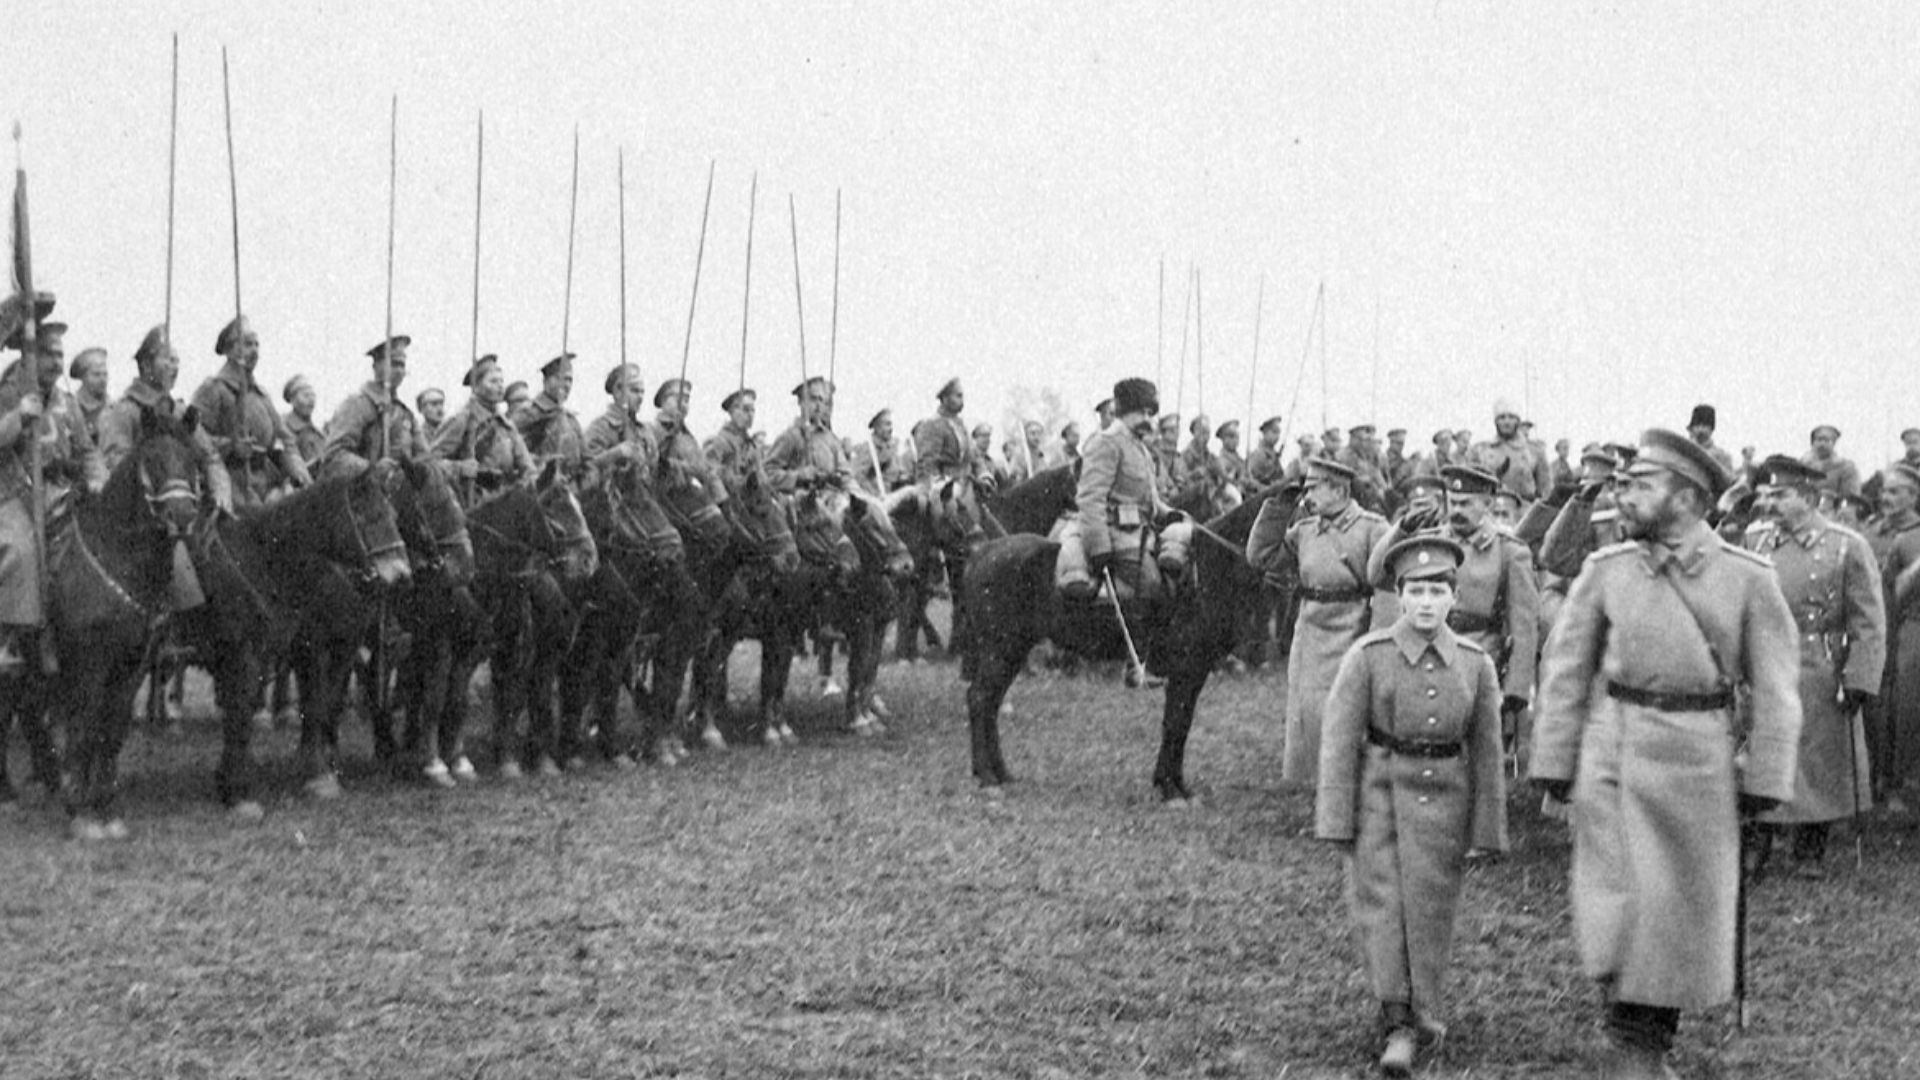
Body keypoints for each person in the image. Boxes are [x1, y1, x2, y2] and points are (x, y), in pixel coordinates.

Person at [1531, 428, 1800, 1078]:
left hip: (1696, 767)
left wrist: (1765, 777)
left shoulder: (1748, 579)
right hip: (1612, 757)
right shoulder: (1607, 570)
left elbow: (1778, 688)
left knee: (1674, 914)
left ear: (1687, 497)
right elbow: (1568, 670)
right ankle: (1631, 1040)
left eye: (1642, 485)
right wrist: (1555, 761)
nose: (1625, 496)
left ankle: (1647, 1040)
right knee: (1616, 904)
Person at [1317, 533, 1507, 1079]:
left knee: (1431, 909)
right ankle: (1396, 1020)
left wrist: (1486, 829)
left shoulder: (1475, 664)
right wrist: (1335, 818)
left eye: (1437, 592)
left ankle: (1422, 1006)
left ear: (1455, 598)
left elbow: (1488, 752)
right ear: (1399, 596)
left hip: (1445, 804)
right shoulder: (1368, 655)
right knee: (1382, 908)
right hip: (1378, 798)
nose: (1426, 603)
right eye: (1416, 591)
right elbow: (1338, 741)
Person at [1746, 454, 1885, 879]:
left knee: (1818, 757)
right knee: (1763, 749)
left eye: (1781, 494)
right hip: (1766, 659)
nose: (1770, 502)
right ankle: (1759, 841)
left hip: (1819, 662)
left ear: (1809, 498)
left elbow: (1869, 618)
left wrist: (1860, 676)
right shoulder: (1757, 540)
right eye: (1768, 493)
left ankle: (1810, 848)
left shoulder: (1847, 545)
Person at [1369, 465, 1539, 763]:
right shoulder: (1429, 540)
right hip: (1425, 652)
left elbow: (1524, 627)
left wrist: (1515, 692)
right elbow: (1377, 575)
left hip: (1480, 657)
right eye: (1453, 502)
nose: (1456, 510)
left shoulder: (1509, 551)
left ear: (1487, 505)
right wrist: (1401, 530)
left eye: (1466, 503)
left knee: (1474, 750)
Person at [1247, 456, 1391, 785]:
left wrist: (1377, 637)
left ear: (1339, 490)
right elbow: (1261, 556)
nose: (1307, 495)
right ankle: (1312, 779)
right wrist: (1279, 509)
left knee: (1345, 707)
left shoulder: (1373, 528)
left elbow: (1385, 585)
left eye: (1313, 488)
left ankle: (1349, 780)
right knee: (1307, 707)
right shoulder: (1305, 530)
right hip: (1310, 626)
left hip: (1351, 626)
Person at [0, 320, 106, 671]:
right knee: (21, 550)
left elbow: (87, 450)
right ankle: (11, 636)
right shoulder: (7, 389)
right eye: (48, 354)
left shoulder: (66, 400)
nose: (56, 363)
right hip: (12, 492)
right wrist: (18, 416)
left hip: (59, 492)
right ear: (29, 354)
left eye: (60, 354)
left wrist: (97, 479)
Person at [1073, 378, 1175, 643]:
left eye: (1150, 413)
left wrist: (1172, 515)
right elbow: (1090, 498)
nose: (1147, 419)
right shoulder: (1106, 443)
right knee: (1151, 584)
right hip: (1116, 534)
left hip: (1144, 532)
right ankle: (1137, 659)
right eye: (1140, 412)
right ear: (1123, 410)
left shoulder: (1140, 447)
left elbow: (1150, 500)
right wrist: (1099, 547)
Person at [99, 326, 232, 509]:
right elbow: (117, 464)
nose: (174, 367)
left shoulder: (180, 413)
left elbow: (210, 457)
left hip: (186, 506)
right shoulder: (124, 411)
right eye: (167, 360)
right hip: (140, 511)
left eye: (176, 361)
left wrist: (221, 495)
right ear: (146, 365)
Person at [190, 316, 312, 507]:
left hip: (268, 480)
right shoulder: (214, 390)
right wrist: (231, 446)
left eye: (257, 344)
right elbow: (194, 436)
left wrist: (299, 471)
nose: (254, 350)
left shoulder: (262, 396)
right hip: (231, 482)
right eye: (247, 344)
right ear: (230, 350)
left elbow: (286, 440)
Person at [1865, 463, 1920, 812]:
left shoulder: (1916, 534)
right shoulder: (1871, 531)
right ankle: (1876, 779)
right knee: (1874, 706)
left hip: (1910, 626)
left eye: (1895, 491)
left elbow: (1898, 594)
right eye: (1884, 491)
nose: (1886, 498)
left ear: (1914, 496)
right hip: (1873, 628)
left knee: (1905, 706)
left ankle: (1900, 782)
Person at [428, 354, 532, 508]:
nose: (500, 386)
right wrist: (460, 468)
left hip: (505, 506)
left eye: (501, 381)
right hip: (468, 503)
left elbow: (527, 467)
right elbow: (430, 464)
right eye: (493, 381)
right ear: (476, 387)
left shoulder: (506, 425)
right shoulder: (461, 419)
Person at [318, 335, 428, 478]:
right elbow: (334, 456)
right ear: (376, 366)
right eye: (394, 364)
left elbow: (424, 457)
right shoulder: (356, 405)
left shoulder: (406, 415)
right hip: (357, 491)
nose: (399, 371)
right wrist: (372, 469)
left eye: (402, 365)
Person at [646, 378, 728, 506]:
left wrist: (722, 500)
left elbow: (703, 470)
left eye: (686, 400)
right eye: (677, 399)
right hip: (659, 497)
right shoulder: (650, 430)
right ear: (663, 401)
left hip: (686, 496)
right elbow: (652, 462)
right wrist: (670, 434)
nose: (682, 404)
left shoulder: (688, 438)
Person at [766, 376, 851, 493]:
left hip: (832, 501)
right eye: (813, 399)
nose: (818, 405)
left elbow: (847, 476)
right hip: (800, 504)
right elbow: (767, 474)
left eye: (821, 400)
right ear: (800, 402)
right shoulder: (790, 437)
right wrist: (798, 476)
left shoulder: (830, 439)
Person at [912, 377, 994, 490]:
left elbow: (975, 457)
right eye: (958, 396)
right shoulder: (931, 425)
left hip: (968, 487)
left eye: (962, 396)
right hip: (944, 491)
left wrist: (983, 475)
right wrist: (943, 487)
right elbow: (927, 465)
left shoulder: (961, 425)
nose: (962, 401)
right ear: (945, 398)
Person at [1467, 399, 1551, 501]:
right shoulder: (1481, 451)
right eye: (1502, 418)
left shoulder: (1534, 452)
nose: (1507, 422)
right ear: (1496, 422)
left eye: (1511, 417)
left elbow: (1545, 492)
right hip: (1492, 509)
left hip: (1525, 510)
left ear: (1518, 421)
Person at [514, 354, 586, 472]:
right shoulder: (528, 414)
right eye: (560, 378)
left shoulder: (572, 421)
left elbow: (587, 460)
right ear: (546, 381)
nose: (566, 385)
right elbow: (509, 453)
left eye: (569, 380)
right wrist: (542, 464)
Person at [583, 363, 658, 468]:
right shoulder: (600, 428)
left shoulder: (645, 432)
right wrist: (615, 454)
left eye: (642, 392)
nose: (640, 397)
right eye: (634, 391)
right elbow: (586, 469)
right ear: (618, 392)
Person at [705, 387, 766, 496]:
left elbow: (763, 479)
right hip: (730, 501)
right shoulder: (721, 441)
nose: (750, 415)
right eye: (746, 409)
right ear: (733, 412)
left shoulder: (752, 446)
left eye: (753, 410)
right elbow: (710, 473)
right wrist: (724, 501)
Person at [852, 408, 907, 495]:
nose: (891, 429)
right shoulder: (867, 448)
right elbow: (857, 477)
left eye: (891, 424)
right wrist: (874, 495)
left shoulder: (893, 449)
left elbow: (899, 473)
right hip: (876, 500)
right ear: (877, 427)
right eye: (887, 424)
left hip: (894, 498)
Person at [1801, 424, 1862, 498]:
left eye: (1827, 440)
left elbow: (1851, 497)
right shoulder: (1801, 466)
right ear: (1813, 443)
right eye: (1819, 439)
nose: (1822, 444)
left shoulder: (1846, 468)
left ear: (1833, 443)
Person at [68, 346, 110, 447]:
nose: (102, 380)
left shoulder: (116, 409)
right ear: (83, 377)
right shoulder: (68, 408)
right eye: (96, 375)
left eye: (105, 374)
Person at [282, 375, 325, 466]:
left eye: (313, 395)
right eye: (306, 395)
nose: (311, 400)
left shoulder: (319, 435)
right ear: (292, 399)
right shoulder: (283, 427)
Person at [1686, 404, 1734, 475]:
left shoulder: (1722, 457)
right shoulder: (1684, 452)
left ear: (1711, 429)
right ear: (1692, 428)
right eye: (1697, 425)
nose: (1700, 429)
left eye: (1704, 426)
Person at [1247, 417, 1285, 487]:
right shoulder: (1258, 454)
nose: (1277, 436)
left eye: (1278, 433)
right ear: (1265, 433)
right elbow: (1252, 479)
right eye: (1274, 432)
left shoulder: (1274, 455)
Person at [1215, 420, 1246, 491]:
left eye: (1237, 437)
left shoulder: (1240, 460)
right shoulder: (1220, 461)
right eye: (1231, 437)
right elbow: (1225, 480)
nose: (1235, 440)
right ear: (1223, 439)